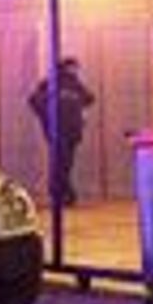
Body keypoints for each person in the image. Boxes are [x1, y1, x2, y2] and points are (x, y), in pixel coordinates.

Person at [28, 57, 95, 207]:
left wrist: (79, 114)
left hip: (71, 131)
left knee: (66, 163)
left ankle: (63, 193)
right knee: (61, 162)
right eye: (73, 67)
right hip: (59, 131)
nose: (75, 70)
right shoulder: (51, 83)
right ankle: (62, 192)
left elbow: (90, 98)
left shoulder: (76, 84)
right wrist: (47, 117)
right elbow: (34, 100)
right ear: (66, 68)